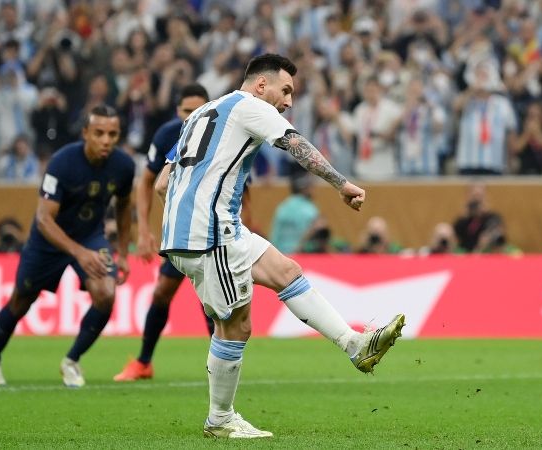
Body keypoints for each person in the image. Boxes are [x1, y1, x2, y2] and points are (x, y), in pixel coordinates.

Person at [159, 54, 405, 439]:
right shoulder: (249, 106)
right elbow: (295, 143)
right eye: (285, 90)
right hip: (210, 232)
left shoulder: (204, 111)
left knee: (286, 272)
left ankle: (355, 344)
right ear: (261, 85)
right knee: (235, 326)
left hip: (210, 228)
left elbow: (163, 182)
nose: (289, 101)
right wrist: (342, 184)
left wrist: (180, 223)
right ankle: (220, 420)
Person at [0, 105, 135, 388]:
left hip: (90, 236)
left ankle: (72, 361)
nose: (106, 140)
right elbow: (43, 219)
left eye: (112, 134)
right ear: (85, 133)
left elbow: (124, 208)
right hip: (48, 240)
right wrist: (78, 252)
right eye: (99, 133)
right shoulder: (62, 163)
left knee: (106, 294)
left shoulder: (124, 166)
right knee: (21, 300)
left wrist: (123, 252)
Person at [113, 84, 213, 382]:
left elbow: (243, 193)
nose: (192, 116)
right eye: (186, 111)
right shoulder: (168, 135)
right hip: (181, 232)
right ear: (177, 111)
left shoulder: (223, 134)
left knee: (211, 300)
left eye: (199, 110)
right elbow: (146, 182)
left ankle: (220, 368)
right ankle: (144, 362)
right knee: (162, 292)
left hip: (213, 229)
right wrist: (142, 231)